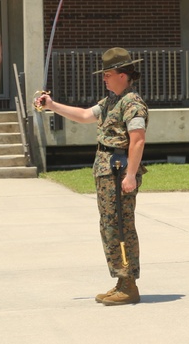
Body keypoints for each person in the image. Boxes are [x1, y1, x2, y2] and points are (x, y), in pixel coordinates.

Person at [34, 48, 148, 305]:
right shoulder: (110, 102)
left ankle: (129, 284)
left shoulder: (132, 103)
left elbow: (138, 141)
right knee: (110, 225)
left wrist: (130, 175)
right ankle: (121, 280)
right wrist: (51, 105)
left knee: (120, 226)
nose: (104, 78)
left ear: (123, 75)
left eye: (108, 74)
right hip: (107, 171)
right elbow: (85, 115)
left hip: (120, 171)